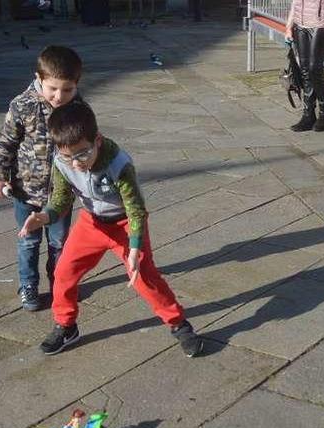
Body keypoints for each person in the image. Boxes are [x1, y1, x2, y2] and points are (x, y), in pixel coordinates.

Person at [19, 101, 204, 358]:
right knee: (63, 272)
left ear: (97, 140)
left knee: (143, 277)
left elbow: (136, 209)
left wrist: (135, 247)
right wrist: (44, 216)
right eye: (68, 156)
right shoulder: (62, 161)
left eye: (82, 154)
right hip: (91, 222)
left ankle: (179, 325)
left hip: (125, 224)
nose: (76, 164)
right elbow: (61, 199)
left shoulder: (118, 163)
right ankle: (66, 325)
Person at [0, 46, 83, 310]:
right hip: (24, 191)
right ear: (39, 78)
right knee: (28, 241)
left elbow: (89, 144)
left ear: (77, 84)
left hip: (61, 196)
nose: (59, 96)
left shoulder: (78, 108)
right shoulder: (22, 105)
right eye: (53, 88)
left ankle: (60, 283)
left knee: (59, 243)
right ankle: (28, 285)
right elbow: (4, 144)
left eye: (67, 89)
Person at [284, 0, 324, 132]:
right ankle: (308, 114)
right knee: (304, 70)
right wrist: (289, 26)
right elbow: (295, 3)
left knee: (314, 68)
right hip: (300, 25)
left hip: (320, 25)